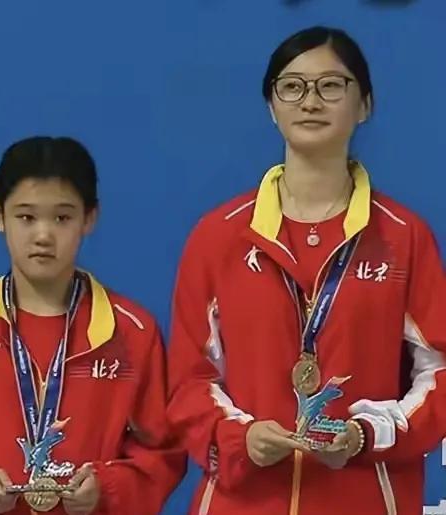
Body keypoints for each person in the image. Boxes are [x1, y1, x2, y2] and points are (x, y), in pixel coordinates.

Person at [167, 26, 446, 514]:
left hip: (363, 500)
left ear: (365, 105)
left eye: (331, 85)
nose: (310, 101)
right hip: (243, 503)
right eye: (292, 87)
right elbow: (189, 383)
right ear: (271, 107)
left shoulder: (403, 238)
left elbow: (438, 374)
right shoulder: (218, 237)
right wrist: (240, 436)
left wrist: (367, 433)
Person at [0, 136, 185, 515]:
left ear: (89, 217)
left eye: (62, 218)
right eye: (26, 217)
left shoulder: (131, 332)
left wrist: (107, 488)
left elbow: (162, 451)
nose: (43, 235)